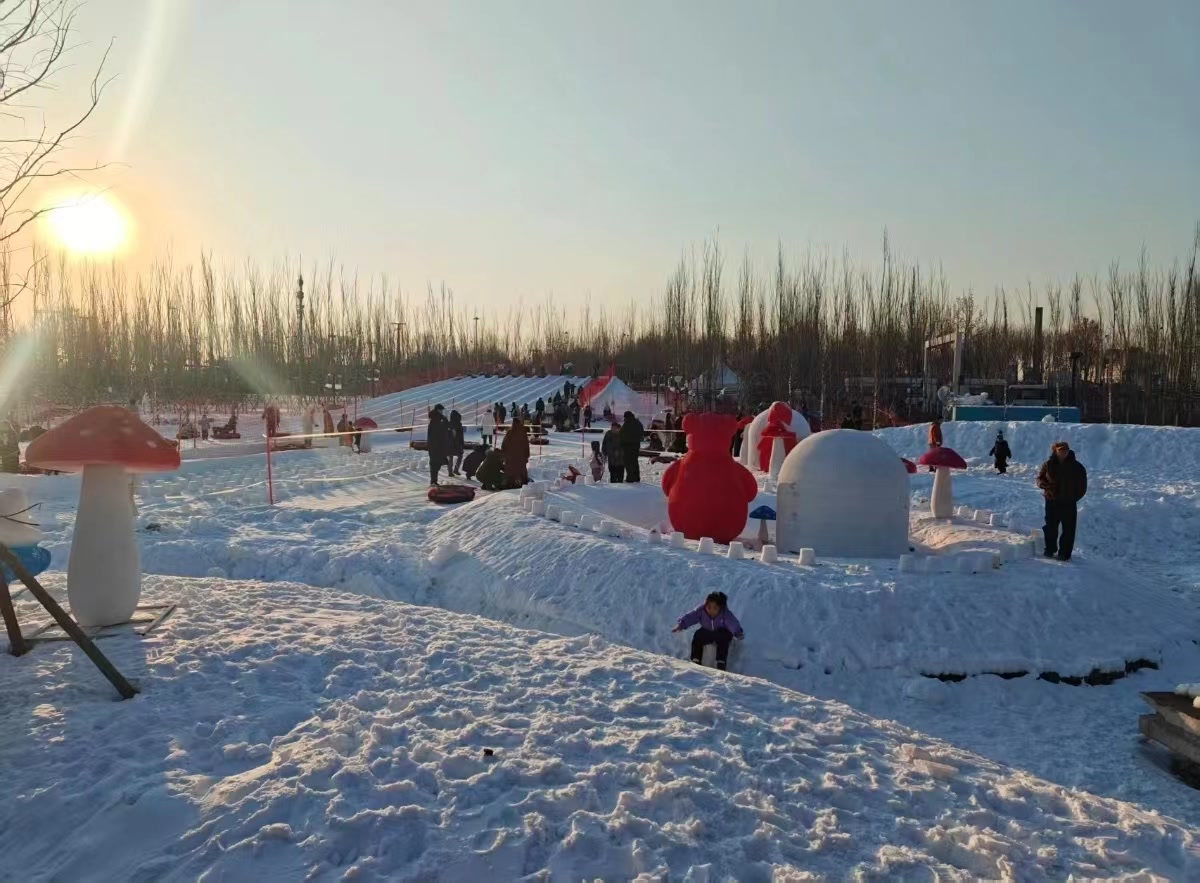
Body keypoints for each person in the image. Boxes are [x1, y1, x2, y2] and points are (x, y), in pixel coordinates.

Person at [1036, 441, 1087, 561]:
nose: (1064, 452)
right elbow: (1039, 477)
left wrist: (1074, 498)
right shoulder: (1048, 464)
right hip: (1051, 501)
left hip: (1068, 502)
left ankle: (1064, 554)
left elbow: (1082, 486)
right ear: (1055, 451)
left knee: (1068, 529)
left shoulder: (1077, 467)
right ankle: (1050, 549)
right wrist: (1042, 484)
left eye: (1066, 450)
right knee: (1050, 527)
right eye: (1061, 450)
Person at [672, 591, 744, 671]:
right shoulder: (701, 611)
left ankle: (721, 662)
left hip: (722, 633)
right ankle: (696, 659)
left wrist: (737, 632)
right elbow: (691, 617)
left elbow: (732, 622)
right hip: (707, 631)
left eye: (715, 608)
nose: (711, 610)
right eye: (709, 607)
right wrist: (681, 625)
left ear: (720, 608)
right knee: (698, 635)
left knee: (723, 640)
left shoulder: (725, 614)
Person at [501, 416, 531, 486]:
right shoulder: (523, 431)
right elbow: (526, 444)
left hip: (510, 456)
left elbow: (504, 444)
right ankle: (521, 480)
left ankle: (510, 481)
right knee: (520, 468)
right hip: (521, 456)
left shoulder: (510, 432)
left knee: (511, 469)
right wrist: (526, 455)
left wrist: (504, 452)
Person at [427, 405, 450, 486]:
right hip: (437, 445)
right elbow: (444, 429)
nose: (442, 411)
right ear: (438, 410)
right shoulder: (437, 420)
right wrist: (445, 420)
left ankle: (433, 481)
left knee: (434, 463)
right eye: (441, 410)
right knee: (435, 463)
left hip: (434, 445)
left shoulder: (435, 419)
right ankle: (433, 481)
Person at [619, 410, 644, 482]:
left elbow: (622, 434)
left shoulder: (627, 423)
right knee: (635, 461)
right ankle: (636, 477)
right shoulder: (638, 423)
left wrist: (621, 442)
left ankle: (630, 477)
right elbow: (642, 433)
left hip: (627, 446)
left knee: (628, 462)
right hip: (636, 445)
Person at [448, 410, 465, 475]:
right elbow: (461, 435)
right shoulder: (459, 424)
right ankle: (456, 469)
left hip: (449, 443)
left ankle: (450, 471)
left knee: (450, 457)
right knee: (460, 456)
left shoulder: (448, 424)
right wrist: (462, 444)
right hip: (457, 443)